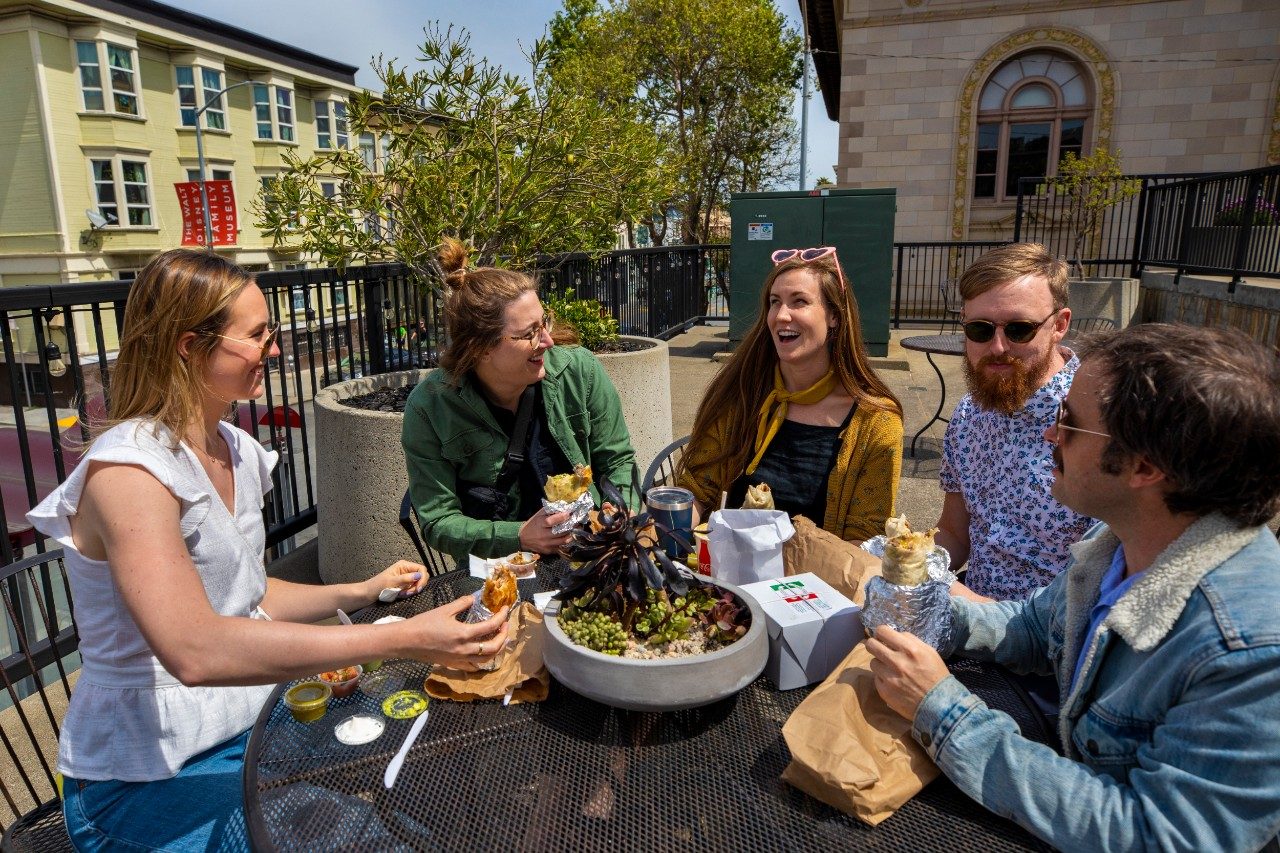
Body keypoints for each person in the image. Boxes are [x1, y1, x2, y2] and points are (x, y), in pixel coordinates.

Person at [27, 249, 509, 851]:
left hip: (248, 728)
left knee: (423, 774)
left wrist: (363, 591)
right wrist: (398, 637)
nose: (276, 349)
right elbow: (194, 649)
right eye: (258, 335)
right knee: (361, 833)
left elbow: (245, 596)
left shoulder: (231, 444)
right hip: (147, 777)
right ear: (188, 346)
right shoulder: (130, 472)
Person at [868, 323, 1280, 851]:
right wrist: (927, 612)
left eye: (1069, 422)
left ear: (1143, 467)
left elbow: (1152, 836)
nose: (1049, 435)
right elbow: (1034, 627)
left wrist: (942, 711)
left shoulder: (1247, 652)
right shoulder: (1120, 541)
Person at [403, 238, 637, 567]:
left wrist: (617, 511)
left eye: (545, 323)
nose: (548, 341)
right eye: (529, 334)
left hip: (589, 552)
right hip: (498, 569)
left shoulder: (580, 371)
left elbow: (618, 463)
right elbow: (438, 522)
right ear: (480, 348)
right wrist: (520, 535)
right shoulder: (430, 408)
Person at [677, 247, 902, 543]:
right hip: (722, 575)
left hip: (815, 585)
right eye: (774, 302)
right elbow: (698, 491)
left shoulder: (876, 423)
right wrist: (660, 532)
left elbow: (864, 541)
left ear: (834, 315)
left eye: (799, 302)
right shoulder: (740, 395)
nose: (782, 316)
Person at [934, 242, 1093, 602]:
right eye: (980, 329)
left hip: (1048, 642)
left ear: (1060, 324)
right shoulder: (969, 413)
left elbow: (1099, 588)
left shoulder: (1096, 419)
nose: (998, 347)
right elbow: (955, 534)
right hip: (966, 618)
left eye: (1019, 329)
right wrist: (907, 562)